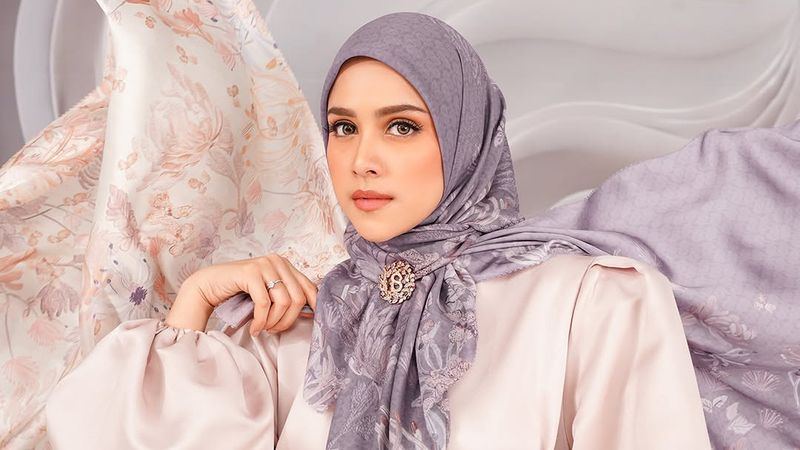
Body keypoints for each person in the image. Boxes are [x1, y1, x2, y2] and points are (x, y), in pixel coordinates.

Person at [51, 10, 794, 449]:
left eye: (402, 127)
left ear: (467, 136)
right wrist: (197, 299)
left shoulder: (593, 299)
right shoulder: (306, 322)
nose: (363, 160)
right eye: (343, 128)